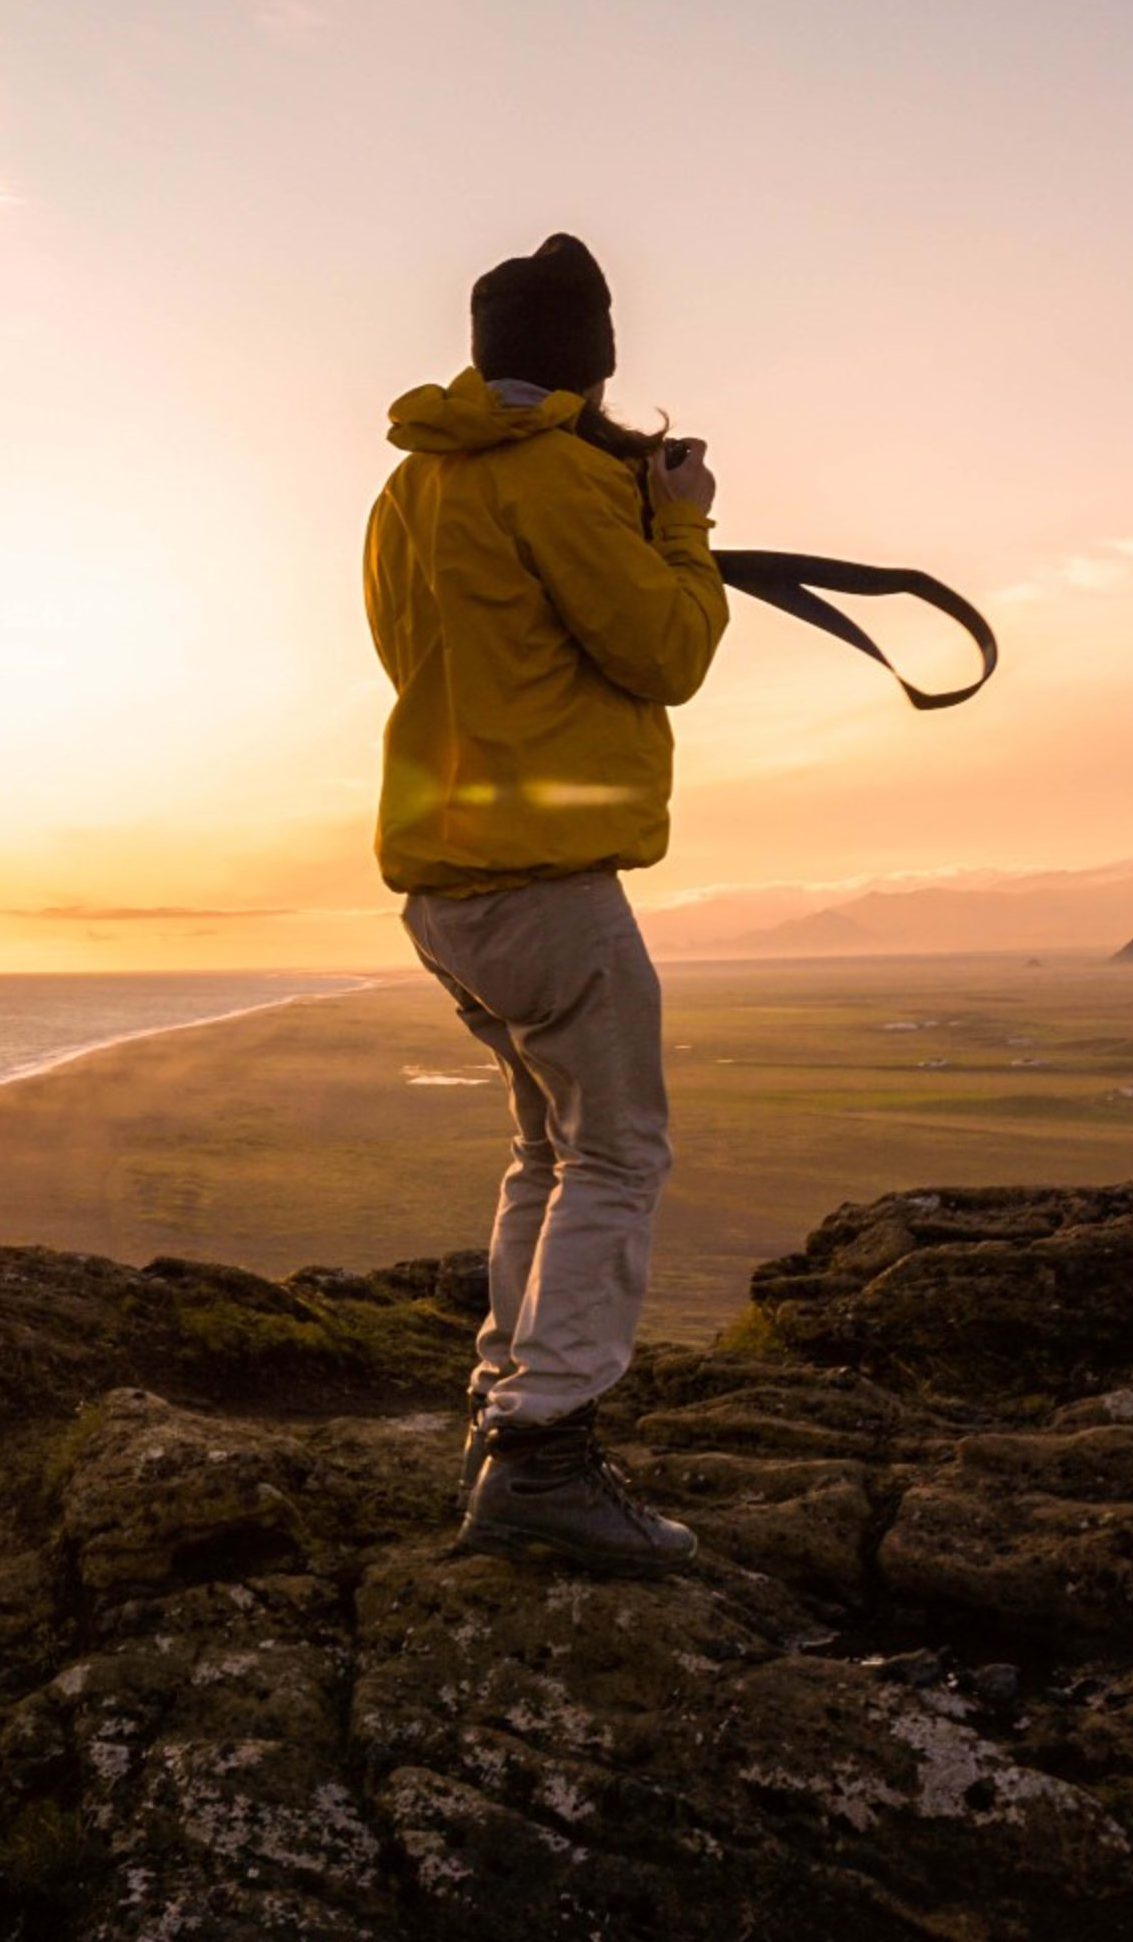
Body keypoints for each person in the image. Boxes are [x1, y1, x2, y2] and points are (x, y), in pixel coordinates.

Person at [361, 232, 726, 1578]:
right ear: (595, 353)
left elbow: (466, 653)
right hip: (550, 892)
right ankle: (545, 1459)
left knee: (546, 1153)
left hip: (443, 886)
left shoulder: (408, 490)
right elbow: (667, 653)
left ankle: (504, 1419)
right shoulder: (566, 479)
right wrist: (678, 523)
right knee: (619, 1156)